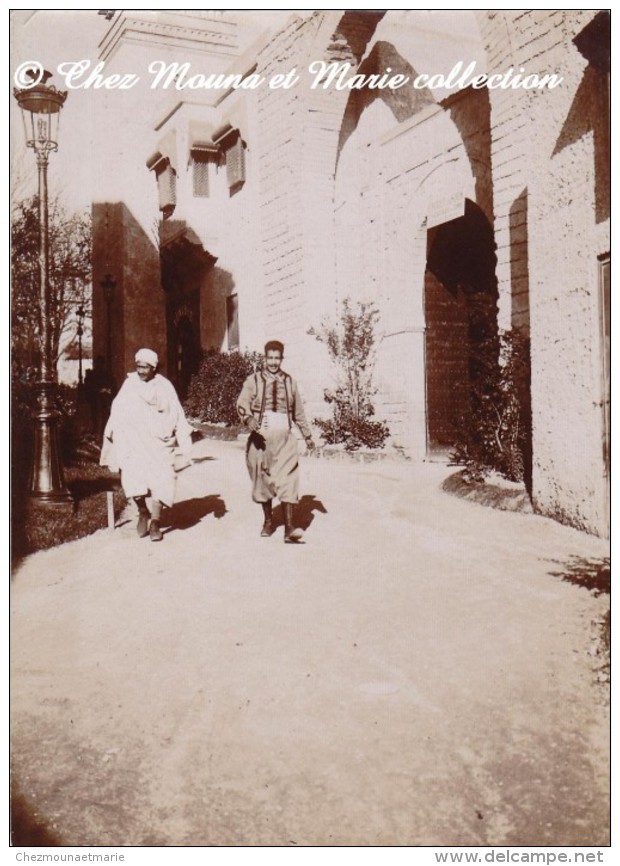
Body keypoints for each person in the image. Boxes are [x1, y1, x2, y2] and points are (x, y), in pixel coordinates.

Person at [100, 348, 193, 542]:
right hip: (134, 443)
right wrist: (112, 433)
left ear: (154, 367)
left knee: (163, 478)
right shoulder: (130, 384)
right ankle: (143, 511)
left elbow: (176, 413)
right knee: (133, 479)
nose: (141, 371)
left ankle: (156, 523)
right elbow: (117, 410)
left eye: (145, 367)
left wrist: (184, 442)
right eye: (138, 366)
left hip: (159, 443)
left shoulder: (164, 386)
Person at [237, 341, 316, 543]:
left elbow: (298, 411)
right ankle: (268, 521)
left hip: (285, 437)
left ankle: (289, 528)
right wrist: (249, 419)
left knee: (288, 479)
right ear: (265, 358)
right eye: (270, 358)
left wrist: (307, 436)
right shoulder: (253, 380)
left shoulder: (290, 382)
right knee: (263, 480)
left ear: (282, 358)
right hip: (261, 437)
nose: (273, 362)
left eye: (277, 358)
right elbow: (242, 403)